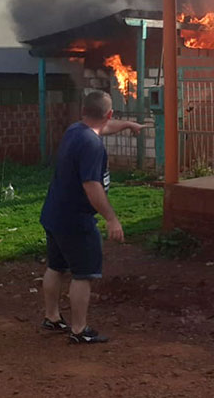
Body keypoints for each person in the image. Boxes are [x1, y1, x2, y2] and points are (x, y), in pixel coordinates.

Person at [39, 90, 144, 344]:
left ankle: (52, 317)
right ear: (108, 113)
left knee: (56, 266)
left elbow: (103, 128)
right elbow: (91, 186)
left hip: (55, 214)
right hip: (76, 220)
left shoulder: (75, 130)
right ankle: (79, 329)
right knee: (83, 274)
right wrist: (111, 218)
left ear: (83, 111)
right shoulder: (92, 145)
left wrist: (128, 125)